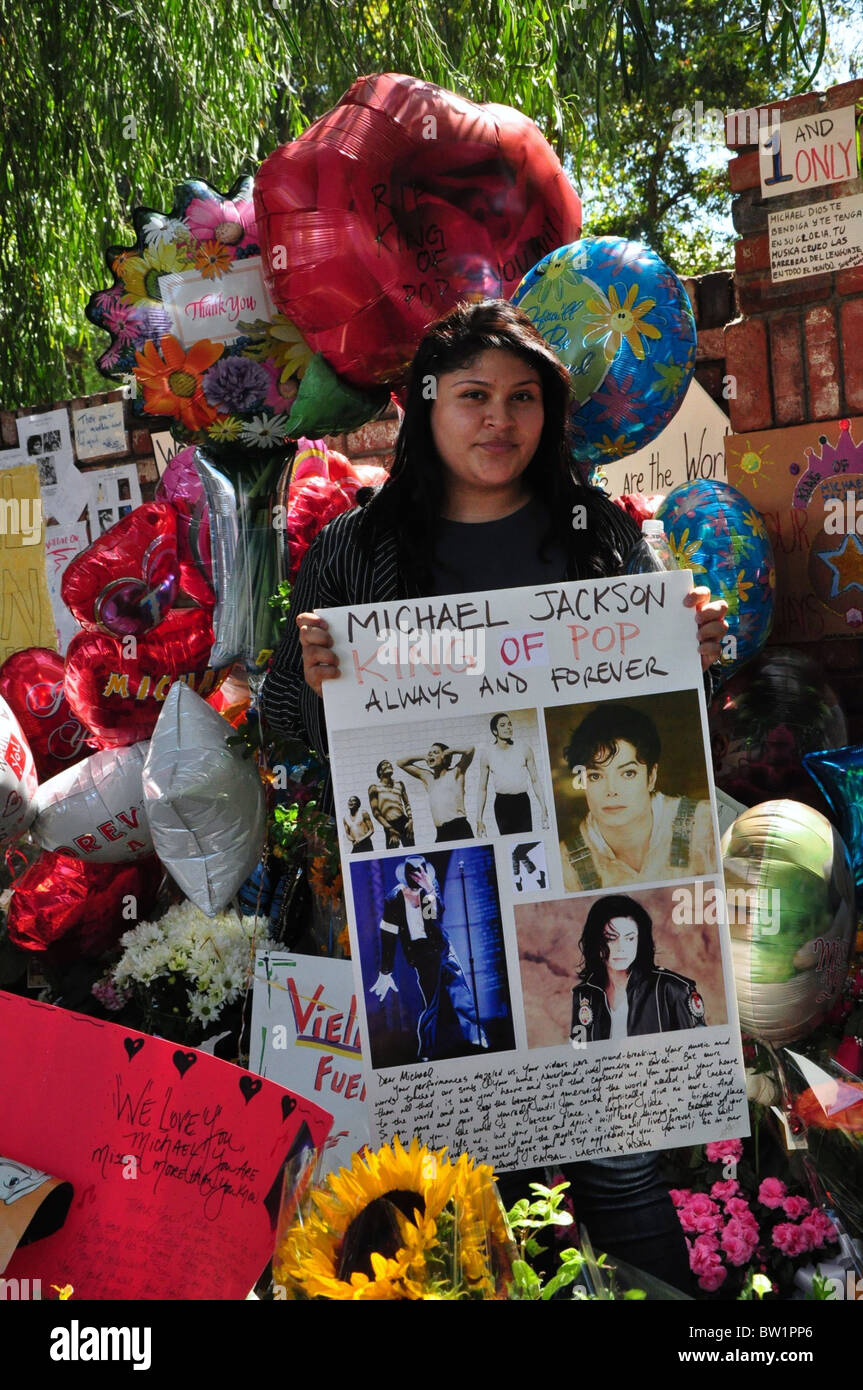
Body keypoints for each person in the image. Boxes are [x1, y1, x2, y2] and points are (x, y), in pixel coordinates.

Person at [260, 297, 727, 1292]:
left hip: (588, 901)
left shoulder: (594, 528)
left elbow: (663, 713)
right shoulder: (352, 548)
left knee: (621, 1172)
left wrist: (695, 652)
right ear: (424, 406)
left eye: (522, 399)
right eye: (471, 396)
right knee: (471, 1191)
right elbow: (288, 727)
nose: (498, 421)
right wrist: (312, 672)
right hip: (431, 902)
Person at [561, 703, 716, 891]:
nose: (611, 790)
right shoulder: (564, 866)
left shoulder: (706, 824)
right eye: (595, 776)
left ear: (651, 777)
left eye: (628, 773)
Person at [369, 856, 487, 1062]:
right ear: (405, 874)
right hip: (421, 954)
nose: (419, 875)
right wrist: (385, 970)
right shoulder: (394, 898)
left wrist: (429, 890)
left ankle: (477, 1039)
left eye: (422, 871)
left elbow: (434, 915)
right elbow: (389, 934)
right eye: (414, 872)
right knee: (430, 1005)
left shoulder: (430, 888)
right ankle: (425, 1052)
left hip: (442, 947)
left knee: (462, 995)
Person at [571, 894, 706, 1044]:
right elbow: (578, 1054)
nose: (621, 948)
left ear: (640, 941)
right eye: (610, 938)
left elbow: (698, 1051)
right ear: (595, 941)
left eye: (629, 938)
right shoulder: (584, 994)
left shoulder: (674, 990)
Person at [477, 712, 549, 837]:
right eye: (503, 725)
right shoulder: (487, 754)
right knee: (508, 843)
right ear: (495, 731)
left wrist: (543, 808)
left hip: (522, 802)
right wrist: (479, 819)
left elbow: (535, 780)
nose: (508, 728)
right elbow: (482, 789)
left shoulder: (524, 749)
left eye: (510, 724)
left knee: (526, 841)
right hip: (502, 804)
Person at [397, 741, 474, 842]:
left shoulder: (456, 772)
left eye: (435, 752)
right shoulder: (428, 778)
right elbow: (400, 763)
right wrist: (423, 756)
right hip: (441, 832)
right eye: (429, 753)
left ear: (445, 757)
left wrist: (449, 751)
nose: (431, 755)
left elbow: (470, 749)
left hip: (459, 828)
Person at [367, 760, 414, 848]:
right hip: (389, 823)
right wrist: (390, 828)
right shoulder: (374, 788)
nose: (389, 765)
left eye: (390, 764)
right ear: (380, 771)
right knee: (392, 853)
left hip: (404, 821)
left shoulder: (399, 784)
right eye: (385, 764)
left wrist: (410, 820)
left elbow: (406, 803)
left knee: (411, 850)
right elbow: (375, 812)